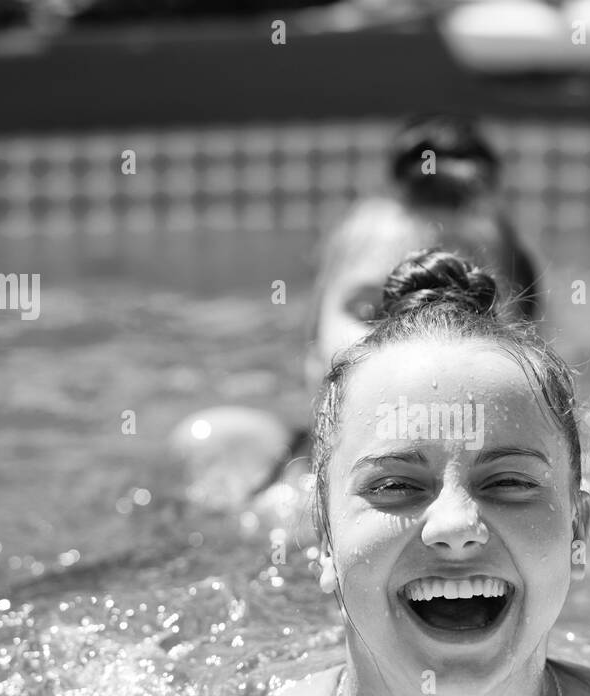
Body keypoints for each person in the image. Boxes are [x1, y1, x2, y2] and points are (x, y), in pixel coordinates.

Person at [104, 249, 590, 696]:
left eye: (508, 482)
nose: (456, 525)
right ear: (325, 541)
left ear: (577, 530)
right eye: (395, 486)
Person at [168, 115, 542, 526]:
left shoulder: (550, 500)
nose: (409, 341)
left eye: (459, 311)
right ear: (313, 339)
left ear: (530, 359)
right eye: (370, 311)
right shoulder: (243, 463)